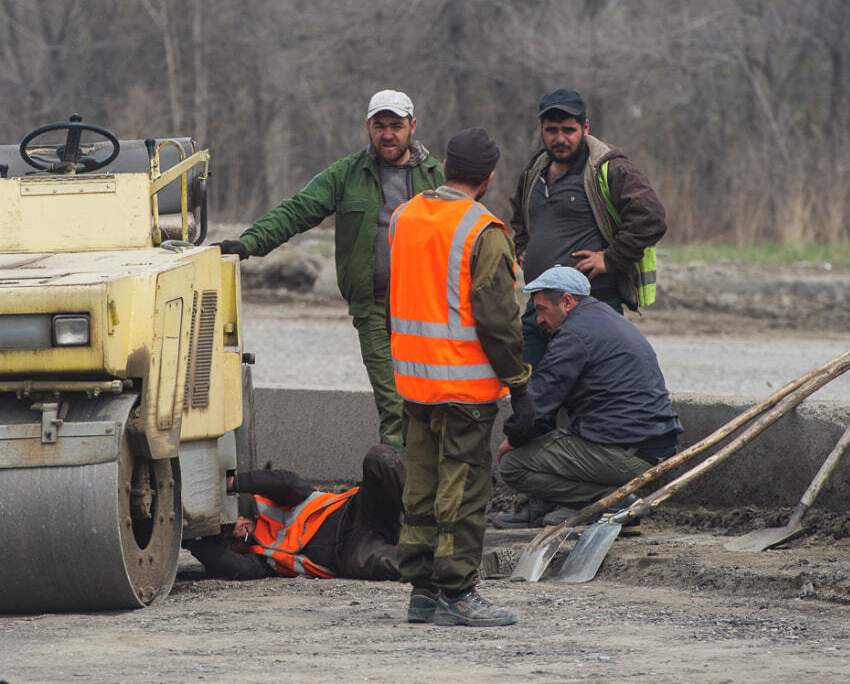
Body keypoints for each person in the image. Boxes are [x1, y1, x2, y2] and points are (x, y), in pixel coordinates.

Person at [212, 90, 444, 454]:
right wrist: (249, 243)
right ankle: (400, 500)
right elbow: (298, 210)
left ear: (412, 127)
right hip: (374, 308)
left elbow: (468, 229)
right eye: (379, 125)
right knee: (394, 408)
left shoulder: (437, 176)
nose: (388, 134)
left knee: (431, 404)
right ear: (368, 127)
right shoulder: (347, 174)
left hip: (427, 312)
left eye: (396, 126)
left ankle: (427, 493)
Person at [388, 127, 533, 627]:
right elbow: (497, 318)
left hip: (414, 383)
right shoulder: (484, 230)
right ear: (489, 177)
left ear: (446, 166)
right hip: (465, 387)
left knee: (422, 485)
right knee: (464, 487)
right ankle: (458, 592)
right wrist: (520, 383)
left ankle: (422, 591)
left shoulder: (406, 216)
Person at [493, 266, 684, 529]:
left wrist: (513, 439)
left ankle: (611, 502)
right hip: (654, 445)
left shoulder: (573, 335)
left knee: (513, 465)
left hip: (629, 453)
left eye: (542, 309)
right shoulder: (603, 317)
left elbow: (539, 402)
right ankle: (599, 502)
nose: (538, 320)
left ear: (567, 301)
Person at [508, 88, 668, 368]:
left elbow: (651, 217)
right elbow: (519, 217)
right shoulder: (533, 169)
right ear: (541, 129)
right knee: (533, 393)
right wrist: (523, 247)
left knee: (591, 397)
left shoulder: (608, 169)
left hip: (592, 307)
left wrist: (611, 258)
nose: (560, 139)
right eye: (552, 130)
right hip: (540, 308)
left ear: (585, 127)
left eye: (568, 130)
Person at [184, 444, 405, 580]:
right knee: (392, 564)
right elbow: (238, 568)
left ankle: (427, 520)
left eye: (230, 529)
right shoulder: (262, 561)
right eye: (229, 544)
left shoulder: (273, 501)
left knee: (380, 458)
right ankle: (435, 563)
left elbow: (287, 483)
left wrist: (231, 483)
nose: (235, 536)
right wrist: (189, 542)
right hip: (350, 553)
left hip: (355, 510)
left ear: (239, 516)